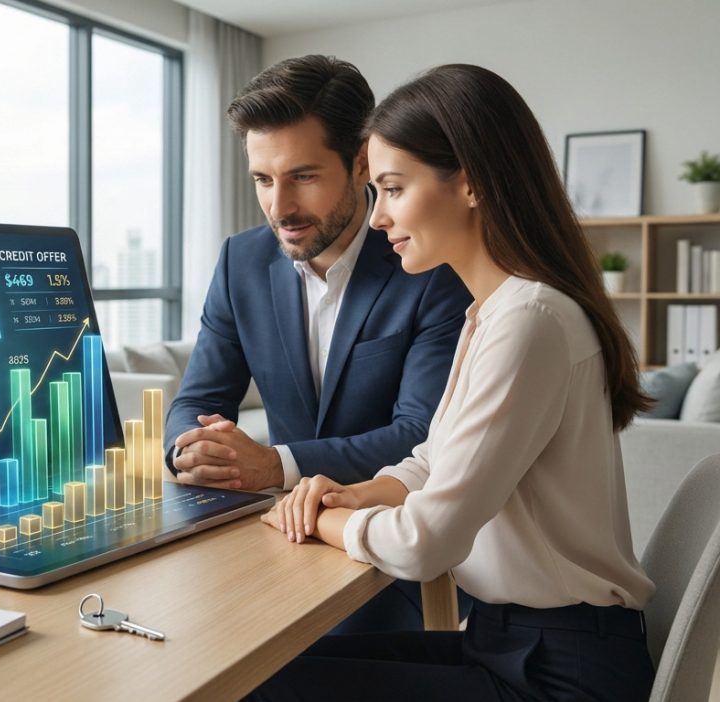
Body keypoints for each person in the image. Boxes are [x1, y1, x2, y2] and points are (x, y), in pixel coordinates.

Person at [253, 63, 657, 701]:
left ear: (468, 183)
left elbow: (423, 545)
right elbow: (431, 461)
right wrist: (355, 493)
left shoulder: (528, 321)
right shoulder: (493, 313)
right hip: (516, 642)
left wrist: (318, 522)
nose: (378, 217)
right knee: (268, 673)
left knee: (263, 687)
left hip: (560, 675)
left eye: (391, 188)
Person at [166, 55, 471, 633]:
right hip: (274, 545)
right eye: (262, 179)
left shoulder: (431, 264)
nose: (279, 207)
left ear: (362, 164)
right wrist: (191, 448)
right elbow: (196, 397)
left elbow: (423, 435)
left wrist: (273, 465)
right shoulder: (241, 262)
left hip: (392, 565)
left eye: (302, 176)